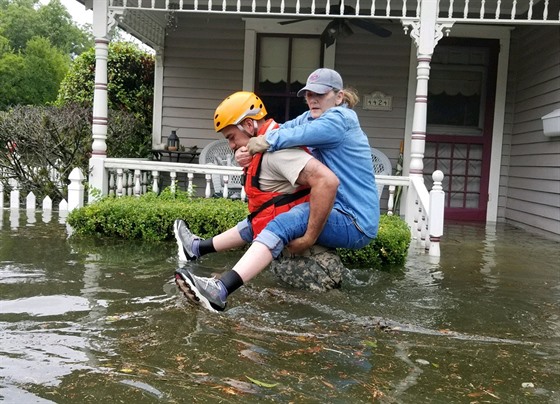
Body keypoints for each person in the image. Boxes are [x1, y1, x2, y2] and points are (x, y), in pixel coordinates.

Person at [175, 68, 380, 312]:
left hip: (355, 220)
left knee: (283, 222)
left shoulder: (340, 119)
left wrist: (309, 238)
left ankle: (221, 290)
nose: (313, 99)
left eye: (320, 94)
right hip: (338, 209)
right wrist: (248, 147)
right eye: (308, 94)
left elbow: (300, 138)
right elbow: (282, 128)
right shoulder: (312, 117)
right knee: (271, 213)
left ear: (339, 97)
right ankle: (197, 248)